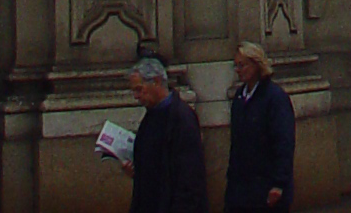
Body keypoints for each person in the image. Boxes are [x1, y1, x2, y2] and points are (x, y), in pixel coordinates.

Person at [125, 58, 206, 213]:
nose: (136, 96)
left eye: (139, 89)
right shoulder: (152, 115)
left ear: (156, 82)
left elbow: (190, 179)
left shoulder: (181, 118)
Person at [225, 40, 296, 213]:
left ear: (256, 65)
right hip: (241, 189)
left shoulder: (274, 98)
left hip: (266, 186)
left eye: (242, 65)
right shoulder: (240, 98)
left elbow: (283, 142)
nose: (238, 70)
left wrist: (279, 183)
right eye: (236, 66)